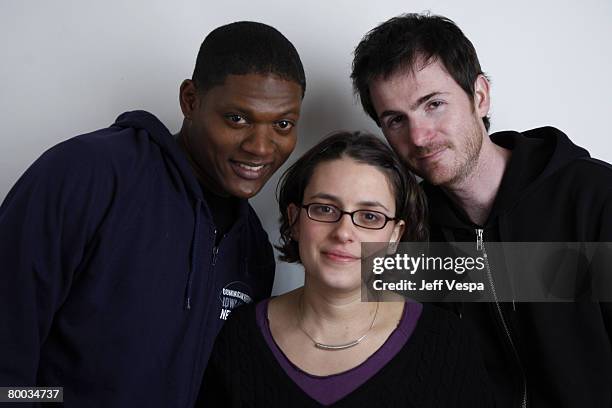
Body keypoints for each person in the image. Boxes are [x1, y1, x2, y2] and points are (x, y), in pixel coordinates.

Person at [0, 21, 305, 407]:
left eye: (282, 124)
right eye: (237, 118)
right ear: (191, 100)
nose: (262, 147)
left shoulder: (253, 249)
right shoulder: (87, 174)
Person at [351, 13, 612, 408]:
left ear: (480, 96)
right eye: (395, 120)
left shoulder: (594, 197)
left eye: (434, 104)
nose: (419, 137)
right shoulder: (408, 233)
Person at [198, 131, 493, 407]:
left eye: (369, 216)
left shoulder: (445, 343)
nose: (343, 232)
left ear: (395, 236)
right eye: (325, 209)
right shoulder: (240, 336)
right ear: (294, 220)